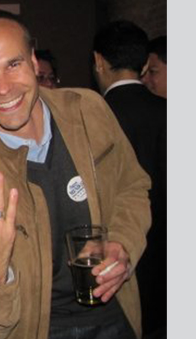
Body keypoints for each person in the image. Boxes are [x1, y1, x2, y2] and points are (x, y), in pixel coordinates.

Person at [0, 10, 151, 339]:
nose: (4, 88)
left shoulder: (88, 109)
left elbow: (132, 186)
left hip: (119, 313)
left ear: (34, 62)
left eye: (13, 64)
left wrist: (122, 243)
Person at [93, 20, 167, 339]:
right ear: (144, 63)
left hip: (114, 264)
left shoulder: (91, 118)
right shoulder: (169, 111)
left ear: (98, 61)